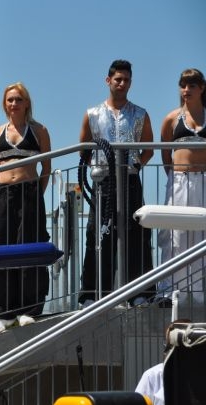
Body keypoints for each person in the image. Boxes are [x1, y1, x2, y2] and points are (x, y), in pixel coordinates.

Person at [78, 59, 155, 307]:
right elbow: (83, 147)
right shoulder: (92, 114)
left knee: (137, 235)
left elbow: (148, 147)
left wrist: (137, 165)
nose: (122, 84)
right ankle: (93, 294)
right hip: (104, 183)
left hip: (130, 181)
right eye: (118, 79)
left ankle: (141, 292)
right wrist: (96, 167)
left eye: (126, 80)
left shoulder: (140, 113)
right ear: (108, 80)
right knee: (97, 235)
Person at [0, 82, 52, 333]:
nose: (13, 104)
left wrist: (36, 193)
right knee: (2, 248)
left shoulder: (39, 131)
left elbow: (46, 167)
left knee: (29, 248)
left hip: (30, 193)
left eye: (18, 99)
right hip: (4, 194)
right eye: (9, 100)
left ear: (27, 103)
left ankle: (29, 309)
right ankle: (3, 313)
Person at [158, 68, 206, 306]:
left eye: (192, 85)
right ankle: (170, 292)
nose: (186, 90)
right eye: (183, 85)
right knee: (175, 235)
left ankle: (198, 294)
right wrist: (175, 174)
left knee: (201, 235)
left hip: (204, 181)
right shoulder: (172, 118)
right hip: (178, 180)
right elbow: (165, 153)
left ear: (202, 88)